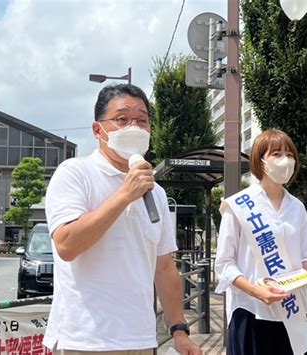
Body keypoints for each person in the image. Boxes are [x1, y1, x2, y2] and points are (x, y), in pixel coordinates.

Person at [43, 84, 202, 355]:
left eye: (142, 120)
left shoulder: (157, 193)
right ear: (98, 130)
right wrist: (125, 195)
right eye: (122, 119)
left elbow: (164, 267)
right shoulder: (75, 173)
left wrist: (179, 329)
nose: (134, 128)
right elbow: (67, 245)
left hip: (141, 339)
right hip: (84, 340)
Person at [214, 129, 307, 355]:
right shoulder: (238, 206)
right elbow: (224, 265)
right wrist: (256, 291)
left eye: (290, 154)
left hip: (290, 312)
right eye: (276, 154)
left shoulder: (297, 208)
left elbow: (305, 257)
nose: (286, 160)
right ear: (261, 161)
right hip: (250, 311)